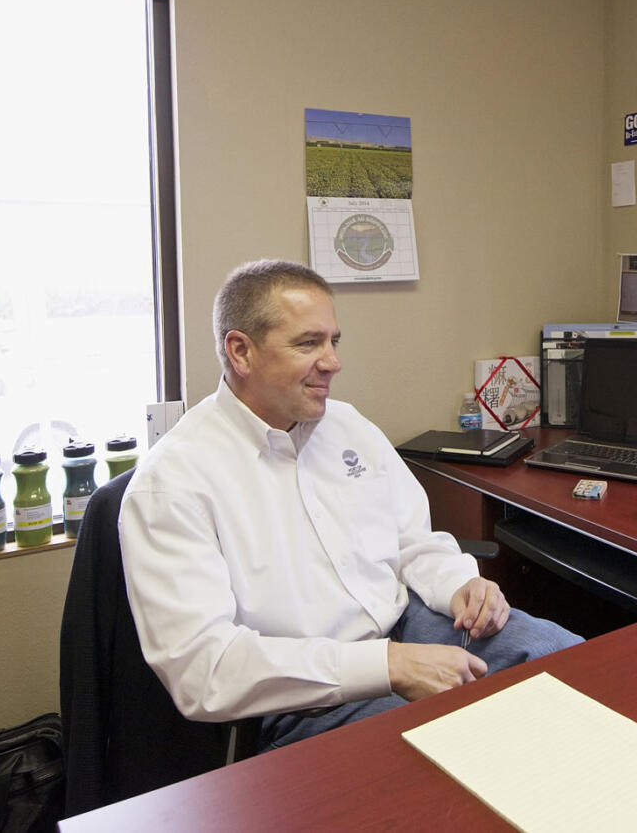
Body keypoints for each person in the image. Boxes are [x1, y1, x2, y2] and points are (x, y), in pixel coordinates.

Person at [118, 259, 581, 751]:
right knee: (460, 752)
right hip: (306, 693)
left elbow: (414, 542)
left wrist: (460, 582)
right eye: (308, 343)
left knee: (567, 661)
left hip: (413, 628)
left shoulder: (348, 426)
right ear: (241, 352)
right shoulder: (172, 485)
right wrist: (387, 666)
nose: (333, 361)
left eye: (333, 341)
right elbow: (206, 672)